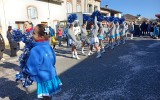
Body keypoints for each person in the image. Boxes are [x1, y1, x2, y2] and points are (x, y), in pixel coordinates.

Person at [24, 24, 62, 100]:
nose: (32, 34)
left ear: (41, 36)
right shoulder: (49, 46)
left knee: (46, 96)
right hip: (51, 74)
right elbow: (54, 60)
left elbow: (32, 68)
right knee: (49, 94)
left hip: (43, 77)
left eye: (34, 33)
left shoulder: (36, 49)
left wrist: (25, 71)